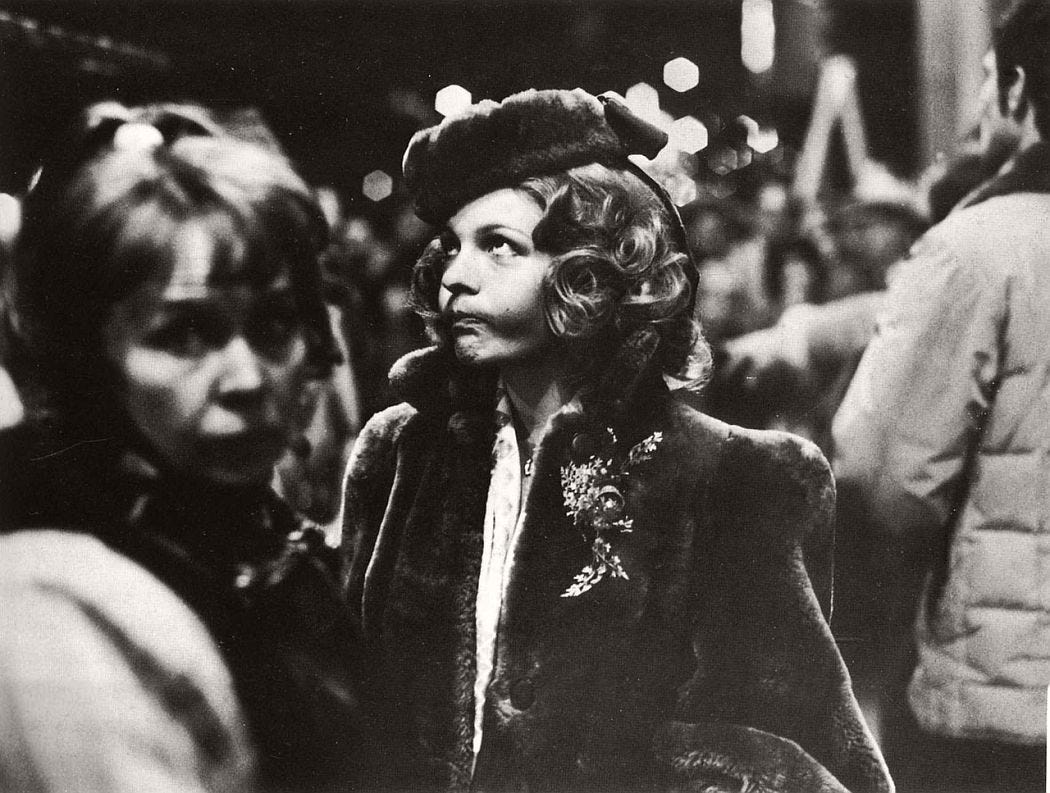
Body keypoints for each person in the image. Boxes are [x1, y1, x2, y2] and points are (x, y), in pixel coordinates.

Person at [342, 88, 891, 793]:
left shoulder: (734, 476)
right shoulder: (400, 455)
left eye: (498, 246)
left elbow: (796, 741)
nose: (455, 276)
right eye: (451, 246)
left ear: (590, 270)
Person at [0, 102, 371, 792]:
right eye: (184, 334)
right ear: (90, 360)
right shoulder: (51, 594)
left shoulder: (247, 526)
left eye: (275, 322)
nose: (248, 379)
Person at [832, 1, 1050, 789]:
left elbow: (882, 470)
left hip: (1001, 695)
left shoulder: (980, 247)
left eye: (990, 80)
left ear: (1019, 92)